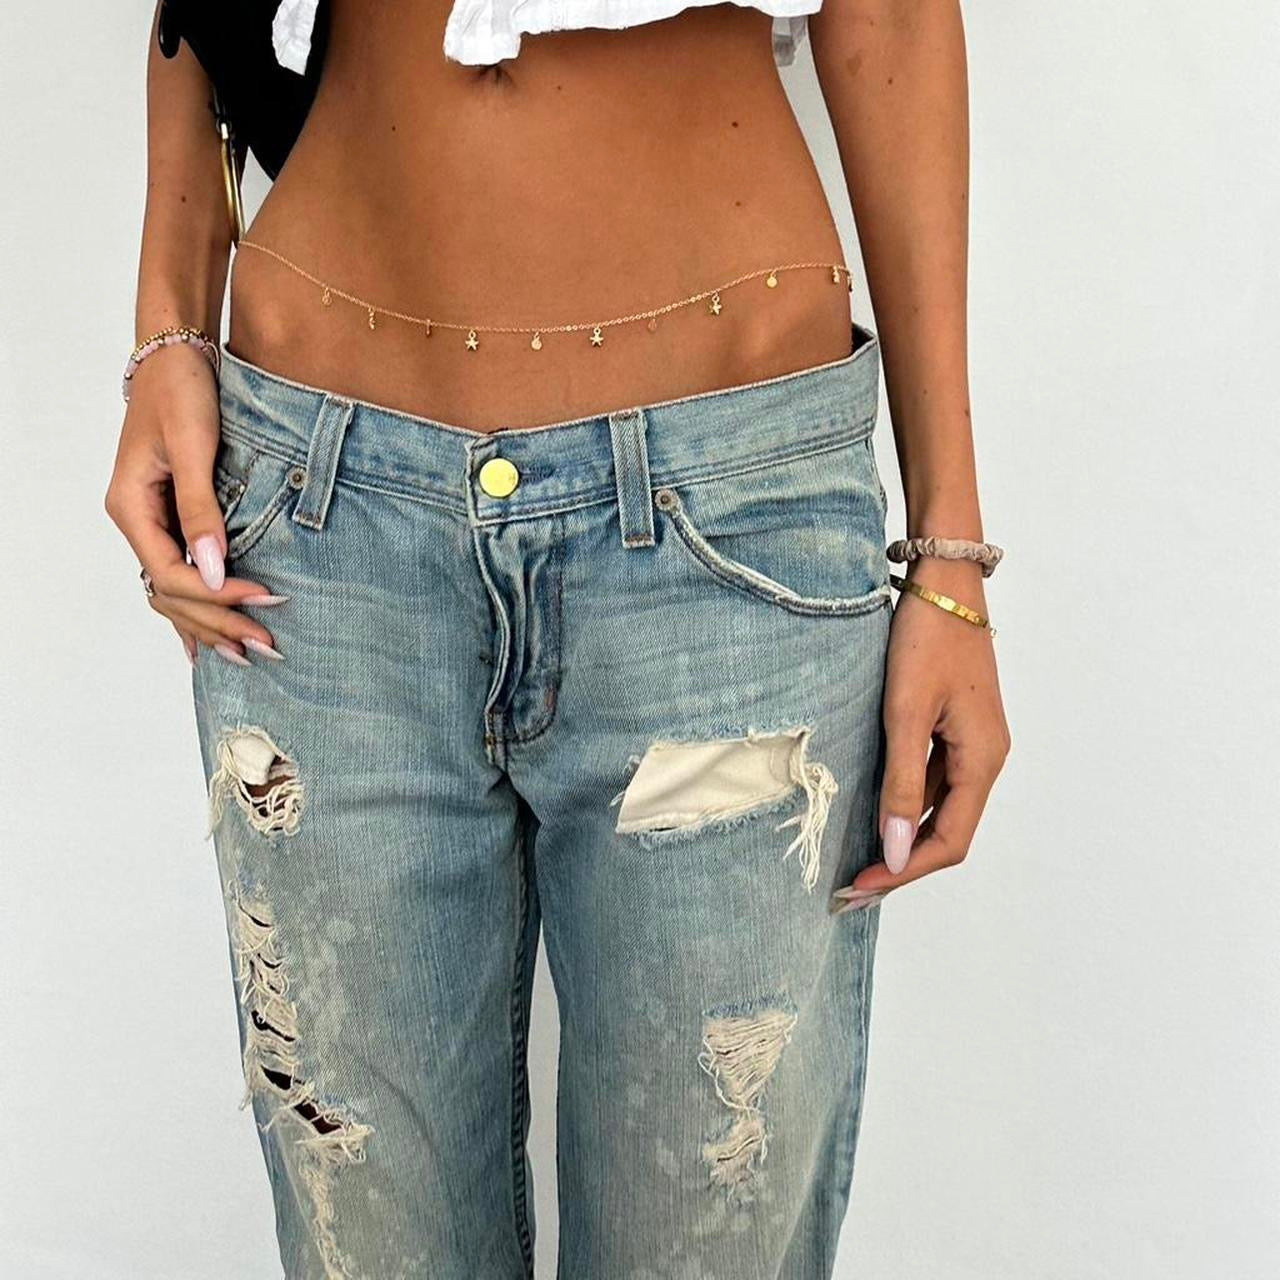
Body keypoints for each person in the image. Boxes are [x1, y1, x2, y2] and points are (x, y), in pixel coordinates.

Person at [105, 0, 1011, 1274]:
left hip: (725, 527)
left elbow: (895, 19)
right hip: (320, 523)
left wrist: (947, 557)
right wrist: (166, 330)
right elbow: (203, 17)